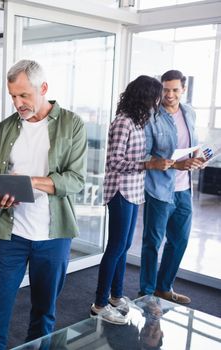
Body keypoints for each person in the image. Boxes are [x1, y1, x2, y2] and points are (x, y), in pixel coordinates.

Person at [0, 59, 88, 349]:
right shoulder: (5, 129)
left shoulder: (72, 124)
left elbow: (75, 180)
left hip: (53, 235)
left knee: (43, 314)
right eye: (13, 96)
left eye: (24, 95)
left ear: (44, 88)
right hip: (10, 234)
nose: (18, 103)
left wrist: (31, 182)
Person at [90, 76, 173, 325]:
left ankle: (115, 296)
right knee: (115, 247)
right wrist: (148, 164)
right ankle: (99, 304)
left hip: (135, 190)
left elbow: (135, 156)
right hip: (120, 192)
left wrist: (158, 161)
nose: (158, 101)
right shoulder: (123, 122)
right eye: (156, 96)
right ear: (145, 96)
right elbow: (114, 162)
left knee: (124, 246)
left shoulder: (139, 121)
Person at [140, 69, 205, 304]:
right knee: (152, 243)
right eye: (165, 89)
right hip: (159, 189)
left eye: (175, 90)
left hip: (184, 189)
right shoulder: (151, 116)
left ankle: (164, 288)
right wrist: (175, 163)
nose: (169, 95)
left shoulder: (189, 112)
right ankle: (146, 293)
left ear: (183, 90)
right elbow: (144, 154)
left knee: (180, 241)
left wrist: (198, 156)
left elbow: (192, 143)